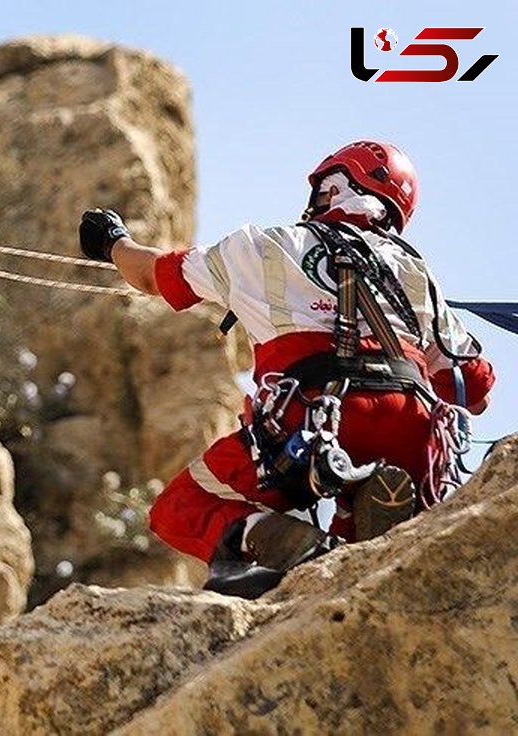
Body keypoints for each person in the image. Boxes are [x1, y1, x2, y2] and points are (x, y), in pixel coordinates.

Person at [78, 140, 495, 598]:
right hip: (414, 429)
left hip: (314, 417)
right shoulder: (416, 273)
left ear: (333, 189)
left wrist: (112, 240)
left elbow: (152, 274)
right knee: (362, 544)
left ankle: (281, 541)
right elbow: (473, 391)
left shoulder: (266, 247)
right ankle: (360, 522)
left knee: (181, 507)